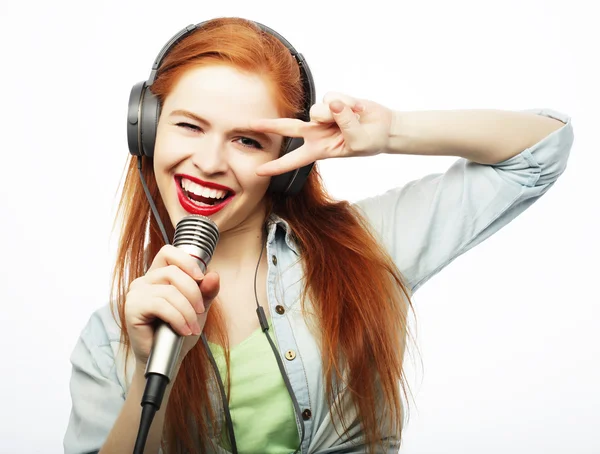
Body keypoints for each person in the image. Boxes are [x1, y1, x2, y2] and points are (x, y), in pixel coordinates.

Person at [63, 16, 574, 454]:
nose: (210, 163)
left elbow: (541, 151)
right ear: (146, 130)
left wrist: (391, 131)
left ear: (286, 163)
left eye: (247, 140)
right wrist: (148, 373)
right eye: (190, 127)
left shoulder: (366, 247)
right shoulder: (111, 338)